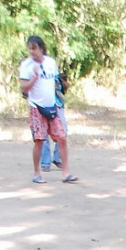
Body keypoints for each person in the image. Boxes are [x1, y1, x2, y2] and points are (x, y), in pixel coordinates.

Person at [19, 36, 77, 184]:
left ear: (41, 48)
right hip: (36, 107)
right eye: (30, 48)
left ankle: (65, 173)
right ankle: (37, 173)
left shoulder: (51, 62)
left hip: (52, 106)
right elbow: (24, 88)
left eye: (34, 48)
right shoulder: (26, 66)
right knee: (39, 140)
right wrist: (34, 77)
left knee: (62, 137)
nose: (32, 51)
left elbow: (54, 83)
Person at [40, 70, 68, 171]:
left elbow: (62, 87)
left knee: (62, 131)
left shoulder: (54, 72)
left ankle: (58, 158)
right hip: (42, 105)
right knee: (43, 133)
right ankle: (45, 162)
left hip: (57, 104)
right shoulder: (37, 72)